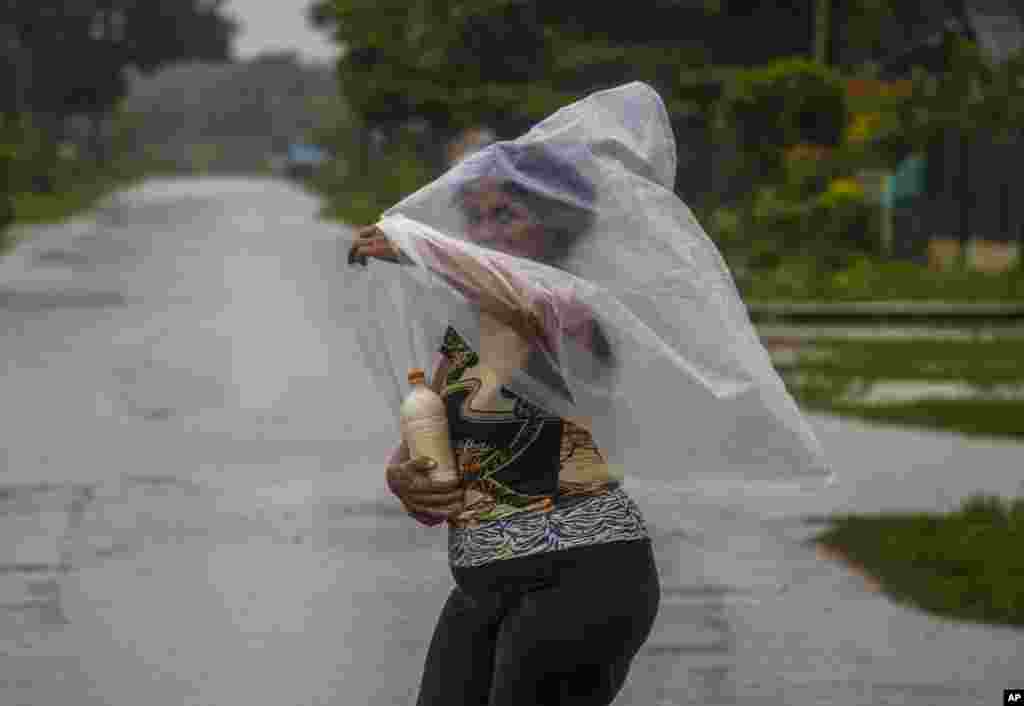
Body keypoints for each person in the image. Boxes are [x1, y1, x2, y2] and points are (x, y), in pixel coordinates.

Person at [347, 142, 659, 706]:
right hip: (483, 581)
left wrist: (424, 251)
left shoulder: (570, 311)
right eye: (476, 217)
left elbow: (523, 299)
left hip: (581, 578)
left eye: (506, 216)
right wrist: (406, 480)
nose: (484, 233)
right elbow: (417, 459)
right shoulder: (467, 330)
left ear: (557, 229)